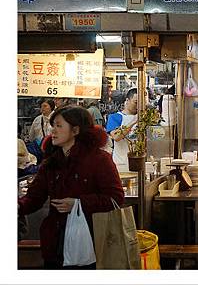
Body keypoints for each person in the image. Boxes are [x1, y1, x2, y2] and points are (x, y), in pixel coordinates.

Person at [18, 106, 125, 269]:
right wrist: (19, 206)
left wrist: (78, 203)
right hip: (55, 241)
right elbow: (34, 197)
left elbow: (115, 198)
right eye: (52, 125)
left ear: (75, 130)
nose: (52, 131)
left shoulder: (99, 159)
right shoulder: (51, 162)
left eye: (59, 126)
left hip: (90, 240)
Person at [105, 88, 138, 172]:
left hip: (139, 162)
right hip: (121, 164)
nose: (139, 106)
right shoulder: (115, 117)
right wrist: (134, 121)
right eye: (136, 102)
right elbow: (116, 137)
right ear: (127, 100)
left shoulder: (144, 119)